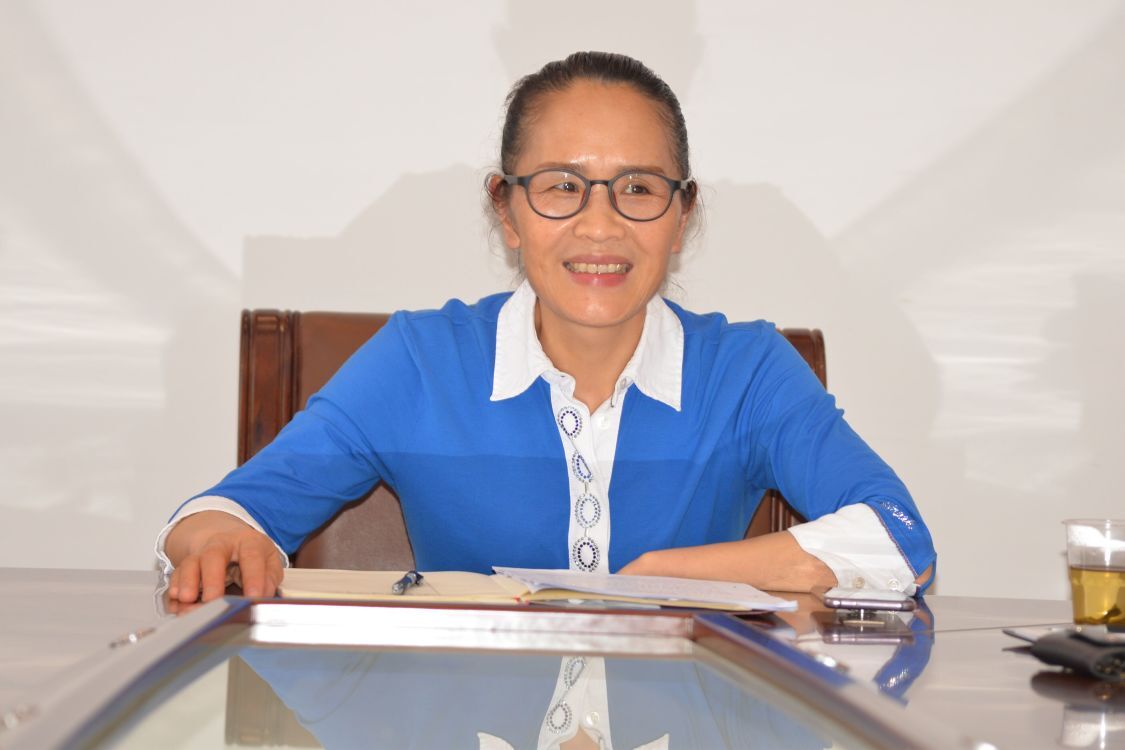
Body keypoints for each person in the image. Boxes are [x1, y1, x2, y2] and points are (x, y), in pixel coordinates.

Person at [159, 51, 935, 605]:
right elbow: (226, 513)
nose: (600, 225)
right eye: (562, 187)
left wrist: (662, 577)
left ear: (681, 214)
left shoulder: (747, 371)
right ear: (506, 210)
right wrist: (218, 535)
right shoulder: (419, 361)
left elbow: (898, 540)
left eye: (638, 188)